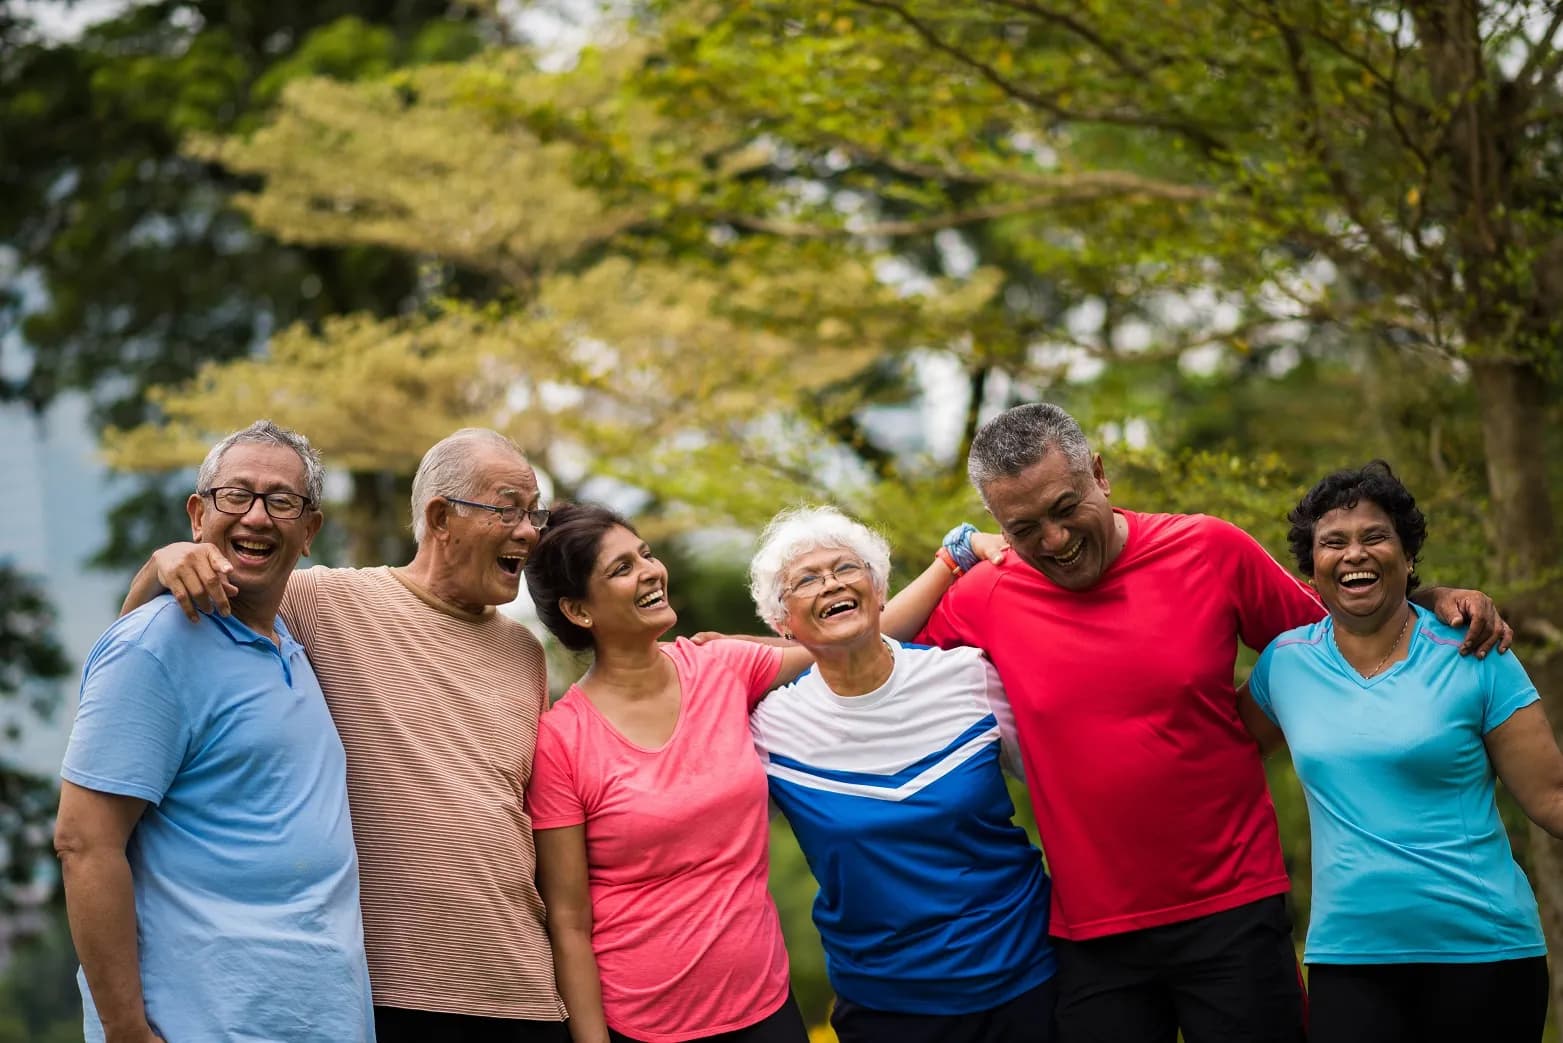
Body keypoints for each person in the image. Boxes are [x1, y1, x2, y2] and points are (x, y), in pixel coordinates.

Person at [917, 402, 1511, 1043]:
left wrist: (1430, 598)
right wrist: (947, 560)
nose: (1055, 541)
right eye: (1025, 528)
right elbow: (868, 666)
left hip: (1234, 910)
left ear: (1100, 474)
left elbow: (1337, 629)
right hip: (1091, 932)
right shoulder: (983, 598)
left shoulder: (1207, 547)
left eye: (1066, 509)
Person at [121, 428, 568, 1043]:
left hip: (526, 992)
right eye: (509, 509)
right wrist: (162, 563)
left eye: (534, 513)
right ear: (441, 517)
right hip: (392, 994)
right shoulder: (320, 600)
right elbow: (146, 651)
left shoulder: (524, 651)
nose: (528, 531)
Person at [522, 502, 984, 1043]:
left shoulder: (720, 668)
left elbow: (853, 634)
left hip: (766, 1010)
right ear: (580, 611)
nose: (650, 571)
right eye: (621, 569)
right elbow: (569, 922)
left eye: (645, 554)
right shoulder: (562, 739)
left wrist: (952, 559)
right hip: (642, 1026)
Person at [55, 420, 374, 1043]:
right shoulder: (154, 644)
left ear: (309, 532)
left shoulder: (291, 646)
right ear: (198, 515)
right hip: (201, 1023)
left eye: (282, 501)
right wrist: (126, 1031)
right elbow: (83, 844)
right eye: (237, 496)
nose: (257, 517)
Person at [1247, 461, 1563, 1043]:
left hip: (1484, 953)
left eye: (1375, 537)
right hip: (1349, 960)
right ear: (1311, 569)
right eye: (1333, 542)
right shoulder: (1286, 664)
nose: (1354, 554)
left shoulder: (1475, 651)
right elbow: (1212, 754)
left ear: (1408, 555)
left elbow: (1551, 798)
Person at [747, 506, 1055, 1043]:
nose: (832, 585)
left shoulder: (965, 675)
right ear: (782, 624)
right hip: (886, 1006)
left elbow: (1064, 788)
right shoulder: (771, 730)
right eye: (807, 580)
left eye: (847, 568)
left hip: (1031, 978)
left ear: (880, 588)